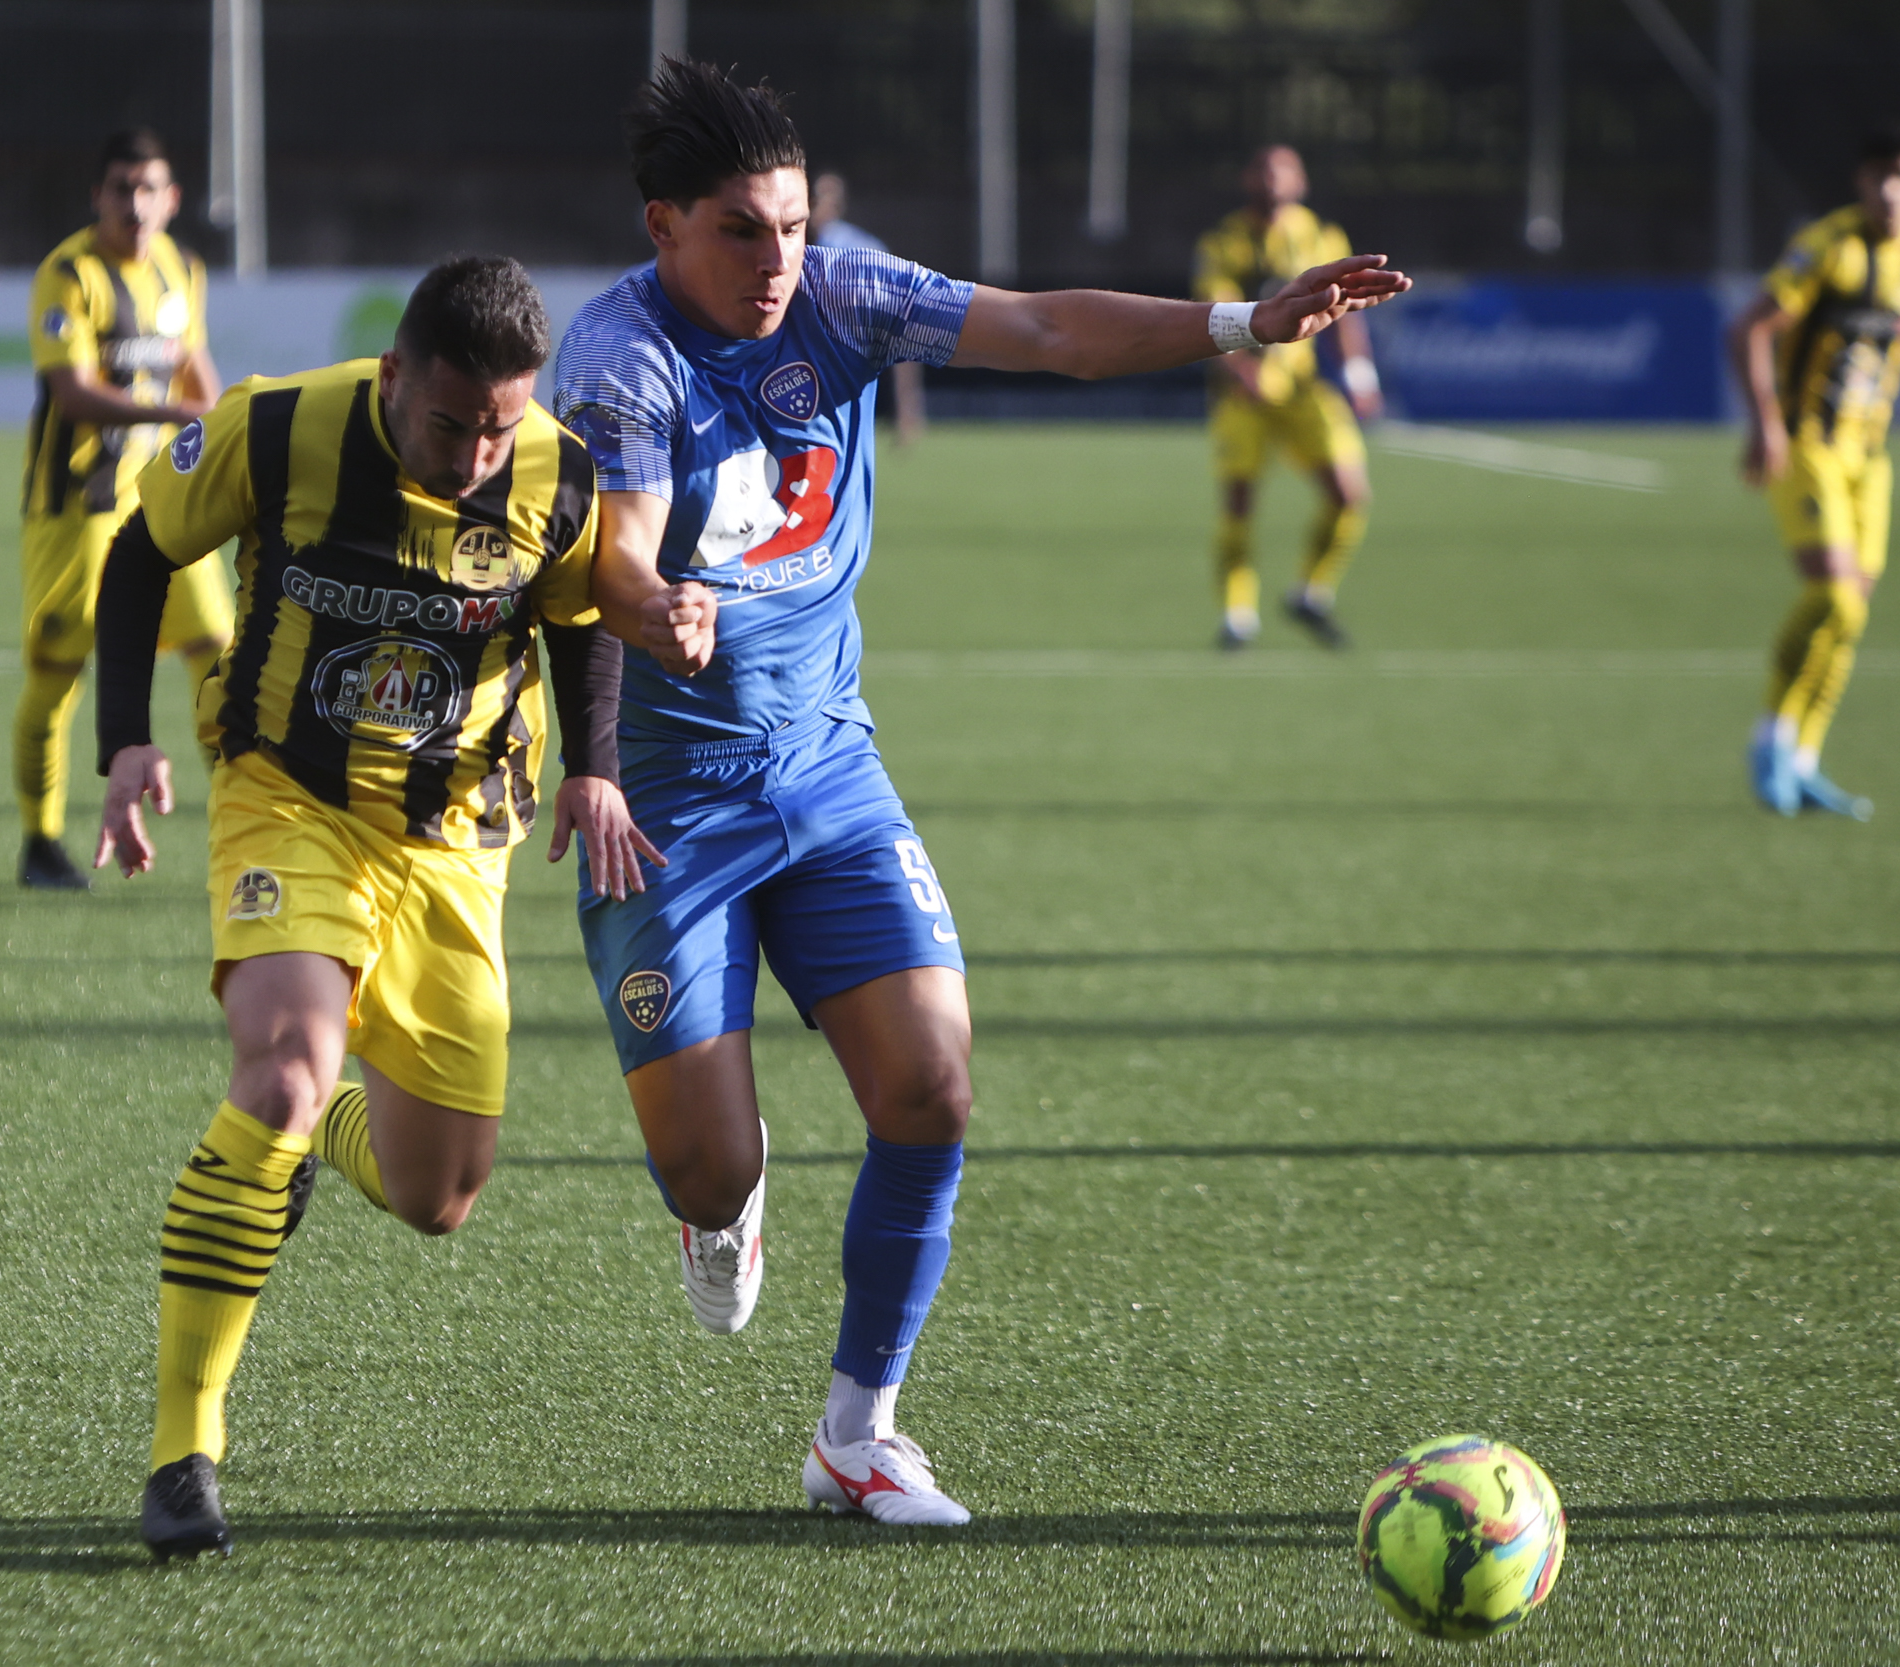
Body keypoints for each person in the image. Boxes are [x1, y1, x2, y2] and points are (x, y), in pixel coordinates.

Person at [552, 60, 1406, 1526]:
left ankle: (859, 1431)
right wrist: (654, 607)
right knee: (707, 1162)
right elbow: (615, 552)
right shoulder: (618, 356)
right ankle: (721, 1208)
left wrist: (1242, 324)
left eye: (793, 226)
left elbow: (1049, 329)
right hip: (670, 805)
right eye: (743, 231)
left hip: (829, 766)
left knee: (934, 1085)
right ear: (664, 225)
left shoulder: (845, 295)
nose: (777, 260)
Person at [90, 256, 657, 1559]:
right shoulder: (277, 427)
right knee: (282, 1069)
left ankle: (309, 1135)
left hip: (458, 840)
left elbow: (579, 613)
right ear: (395, 375)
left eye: (498, 427)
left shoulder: (557, 472)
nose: (473, 455)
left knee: (435, 1193)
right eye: (450, 423)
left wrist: (596, 766)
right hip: (289, 797)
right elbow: (140, 550)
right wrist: (124, 738)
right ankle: (184, 1450)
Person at [1728, 120, 1900, 820]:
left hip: (1869, 461)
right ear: (1860, 182)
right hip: (1807, 448)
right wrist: (1765, 423)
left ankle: (1804, 761)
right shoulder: (1829, 247)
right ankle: (1770, 738)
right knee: (1836, 599)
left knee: (1851, 618)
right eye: (1877, 177)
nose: (1888, 191)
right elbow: (1749, 327)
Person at [15, 128, 235, 890]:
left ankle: (244, 822)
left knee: (217, 648)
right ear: (97, 196)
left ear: (172, 199)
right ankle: (40, 842)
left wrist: (219, 423)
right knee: (58, 672)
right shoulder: (69, 275)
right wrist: (174, 413)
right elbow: (72, 393)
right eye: (121, 189)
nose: (135, 205)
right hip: (75, 506)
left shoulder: (182, 269)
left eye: (149, 190)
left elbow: (195, 371)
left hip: (162, 502)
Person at [1192, 143, 1385, 651]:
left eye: (1283, 171)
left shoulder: (1321, 236)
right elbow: (1212, 316)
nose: (1272, 179)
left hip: (1302, 391)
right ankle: (1237, 616)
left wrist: (1360, 376)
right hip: (1244, 397)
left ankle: (1310, 592)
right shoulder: (1224, 241)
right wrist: (1240, 371)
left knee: (1349, 495)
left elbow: (1345, 313)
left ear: (1301, 181)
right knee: (1239, 503)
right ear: (1247, 179)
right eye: (1263, 170)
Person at [809, 172, 926, 445]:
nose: (816, 208)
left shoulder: (861, 250)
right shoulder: (787, 245)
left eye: (822, 201)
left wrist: (907, 408)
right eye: (813, 199)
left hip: (848, 368)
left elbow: (901, 324)